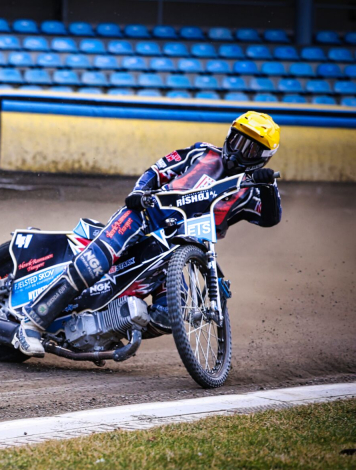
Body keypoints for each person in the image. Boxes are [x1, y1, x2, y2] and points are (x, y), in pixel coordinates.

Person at [14, 111, 283, 356]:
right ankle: (31, 324)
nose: (238, 151)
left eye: (250, 149)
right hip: (145, 216)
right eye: (237, 140)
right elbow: (158, 170)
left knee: (169, 316)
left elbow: (271, 219)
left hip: (178, 250)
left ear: (262, 158)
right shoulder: (201, 153)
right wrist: (139, 193)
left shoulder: (252, 192)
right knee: (94, 263)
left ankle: (105, 332)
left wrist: (269, 185)